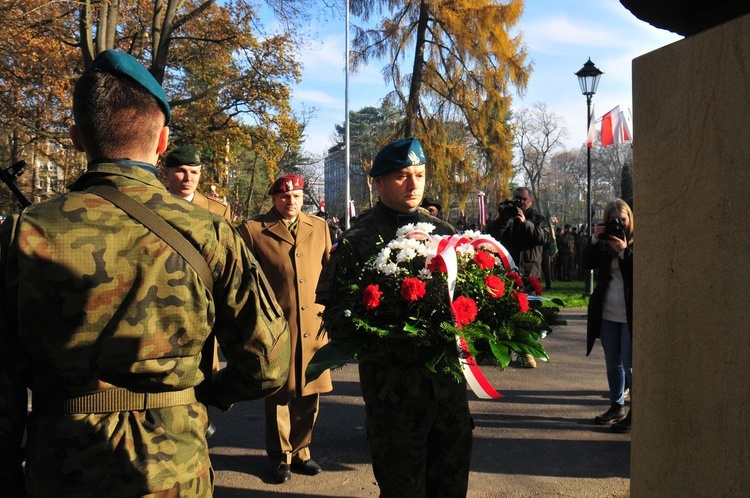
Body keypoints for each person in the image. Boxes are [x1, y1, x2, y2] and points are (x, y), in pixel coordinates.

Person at [0, 50, 291, 497]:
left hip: (61, 467)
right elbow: (268, 362)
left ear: (77, 137)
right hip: (173, 469)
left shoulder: (26, 232)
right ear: (161, 143)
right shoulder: (208, 231)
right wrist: (210, 391)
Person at [316, 137, 472, 497]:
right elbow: (337, 317)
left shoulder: (445, 234)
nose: (414, 184)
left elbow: (467, 300)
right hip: (396, 397)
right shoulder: (358, 242)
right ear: (378, 183)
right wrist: (391, 328)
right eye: (402, 175)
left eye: (419, 174)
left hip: (447, 394)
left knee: (451, 485)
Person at [239, 174, 332, 484]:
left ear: (302, 196)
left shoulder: (318, 227)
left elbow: (328, 274)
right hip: (276, 326)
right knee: (279, 392)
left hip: (314, 325)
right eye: (283, 197)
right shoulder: (254, 231)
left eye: (296, 196)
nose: (290, 201)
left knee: (310, 393)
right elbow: (243, 280)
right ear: (274, 199)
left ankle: (303, 451)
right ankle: (281, 457)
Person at [583, 199, 634, 433]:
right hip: (608, 312)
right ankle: (617, 405)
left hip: (631, 313)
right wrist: (595, 239)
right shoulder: (603, 244)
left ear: (630, 220)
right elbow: (586, 263)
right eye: (613, 221)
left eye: (622, 220)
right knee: (612, 363)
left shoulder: (635, 243)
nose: (618, 225)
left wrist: (624, 252)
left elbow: (638, 273)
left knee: (630, 365)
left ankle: (636, 411)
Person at [486, 187, 550, 280]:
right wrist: (504, 218)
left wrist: (525, 223)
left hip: (529, 273)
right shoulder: (508, 216)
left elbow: (544, 237)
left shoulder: (538, 219)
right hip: (508, 270)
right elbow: (492, 235)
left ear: (531, 201)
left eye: (524, 199)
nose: (521, 202)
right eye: (518, 198)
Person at [164, 144, 232, 222]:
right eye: (181, 171)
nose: (188, 178)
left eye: (194, 172)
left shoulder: (218, 211)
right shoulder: (152, 204)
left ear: (199, 175)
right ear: (166, 173)